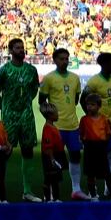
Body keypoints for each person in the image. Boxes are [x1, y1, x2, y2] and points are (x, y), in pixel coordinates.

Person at [0, 38, 40, 201]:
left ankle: (27, 191)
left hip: (26, 116)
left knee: (28, 151)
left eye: (22, 47)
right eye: (18, 48)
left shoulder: (31, 70)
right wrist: (0, 108)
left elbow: (34, 90)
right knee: (4, 152)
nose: (21, 50)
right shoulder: (4, 70)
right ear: (11, 51)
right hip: (9, 116)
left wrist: (24, 103)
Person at [37, 48, 82, 199]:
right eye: (61, 59)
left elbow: (75, 100)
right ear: (54, 60)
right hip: (57, 128)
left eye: (66, 58)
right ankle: (50, 193)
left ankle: (76, 189)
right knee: (53, 161)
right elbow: (42, 101)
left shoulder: (75, 78)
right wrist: (50, 118)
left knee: (75, 156)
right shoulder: (49, 78)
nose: (64, 61)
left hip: (73, 126)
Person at [77, 91, 111, 201]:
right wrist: (85, 143)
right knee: (90, 173)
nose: (89, 107)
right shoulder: (84, 120)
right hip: (89, 148)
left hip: (101, 148)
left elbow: (108, 134)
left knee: (106, 173)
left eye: (92, 104)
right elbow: (81, 133)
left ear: (99, 106)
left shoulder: (104, 119)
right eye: (88, 104)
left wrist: (103, 144)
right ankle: (93, 195)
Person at [40, 103, 69, 201]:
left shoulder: (51, 126)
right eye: (56, 113)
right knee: (50, 178)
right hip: (51, 157)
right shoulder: (48, 128)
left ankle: (55, 198)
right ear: (50, 115)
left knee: (55, 178)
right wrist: (52, 160)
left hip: (56, 155)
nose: (58, 115)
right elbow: (48, 147)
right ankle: (48, 198)